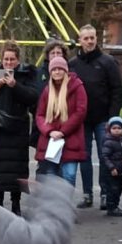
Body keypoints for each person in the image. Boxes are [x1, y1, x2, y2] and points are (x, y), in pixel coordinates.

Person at [0, 41, 40, 215]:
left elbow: (33, 97)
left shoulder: (26, 75)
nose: (9, 63)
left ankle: (16, 203)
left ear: (18, 60)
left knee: (16, 169)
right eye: (6, 59)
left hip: (17, 130)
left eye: (12, 59)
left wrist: (15, 85)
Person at [69, 24, 122, 209]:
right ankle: (87, 194)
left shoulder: (108, 62)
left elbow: (117, 89)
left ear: (96, 39)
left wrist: (113, 117)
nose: (90, 41)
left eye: (92, 37)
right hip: (81, 120)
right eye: (86, 38)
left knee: (104, 156)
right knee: (83, 157)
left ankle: (106, 194)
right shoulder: (73, 65)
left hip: (103, 119)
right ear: (80, 41)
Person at [34, 55, 88, 193]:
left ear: (66, 70)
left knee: (69, 175)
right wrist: (49, 131)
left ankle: (66, 208)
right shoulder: (47, 91)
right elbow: (40, 115)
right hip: (51, 141)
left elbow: (80, 111)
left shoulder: (77, 86)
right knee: (51, 177)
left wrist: (63, 131)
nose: (57, 72)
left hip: (71, 139)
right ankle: (54, 209)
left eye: (60, 69)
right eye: (54, 69)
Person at [99, 115, 122, 217]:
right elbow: (105, 156)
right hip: (112, 171)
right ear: (109, 129)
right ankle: (111, 207)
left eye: (119, 128)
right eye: (114, 128)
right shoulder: (108, 141)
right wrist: (111, 168)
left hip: (121, 171)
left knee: (119, 188)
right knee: (112, 189)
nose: (117, 130)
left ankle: (115, 206)